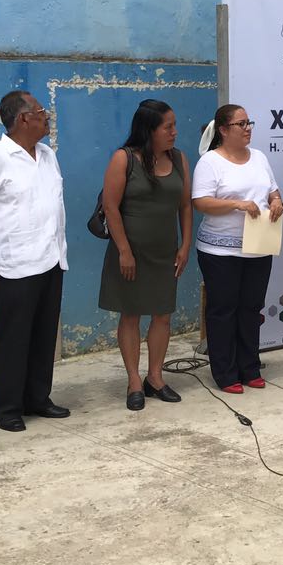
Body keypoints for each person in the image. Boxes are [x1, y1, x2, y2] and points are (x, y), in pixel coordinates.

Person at [0, 90, 70, 431]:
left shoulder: (47, 155)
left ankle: (37, 398)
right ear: (23, 119)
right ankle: (7, 407)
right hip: (13, 263)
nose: (47, 117)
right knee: (12, 339)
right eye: (42, 112)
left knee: (43, 334)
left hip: (51, 258)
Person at [98, 100, 192, 412]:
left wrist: (185, 244)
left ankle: (155, 377)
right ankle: (134, 381)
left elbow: (186, 206)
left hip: (166, 251)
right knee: (131, 314)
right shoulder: (124, 159)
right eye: (168, 127)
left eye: (174, 125)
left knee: (163, 314)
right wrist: (123, 250)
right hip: (131, 252)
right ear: (149, 130)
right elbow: (111, 207)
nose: (175, 132)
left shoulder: (179, 159)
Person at [191, 105, 283, 393]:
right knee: (223, 310)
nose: (247, 128)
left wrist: (277, 200)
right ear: (223, 130)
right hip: (221, 251)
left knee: (250, 308)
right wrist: (237, 204)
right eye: (240, 124)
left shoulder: (259, 157)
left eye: (249, 122)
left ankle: (249, 367)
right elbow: (200, 202)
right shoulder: (210, 162)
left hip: (258, 246)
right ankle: (225, 372)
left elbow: (272, 189)